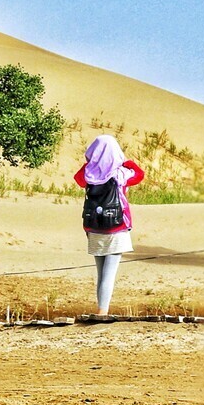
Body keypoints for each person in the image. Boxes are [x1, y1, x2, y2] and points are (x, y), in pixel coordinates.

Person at [74, 135, 145, 316]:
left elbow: (78, 178)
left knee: (101, 273)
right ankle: (102, 311)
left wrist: (91, 161)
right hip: (116, 227)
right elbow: (140, 174)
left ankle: (101, 308)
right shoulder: (120, 173)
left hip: (94, 228)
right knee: (109, 273)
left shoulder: (89, 174)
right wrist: (125, 161)